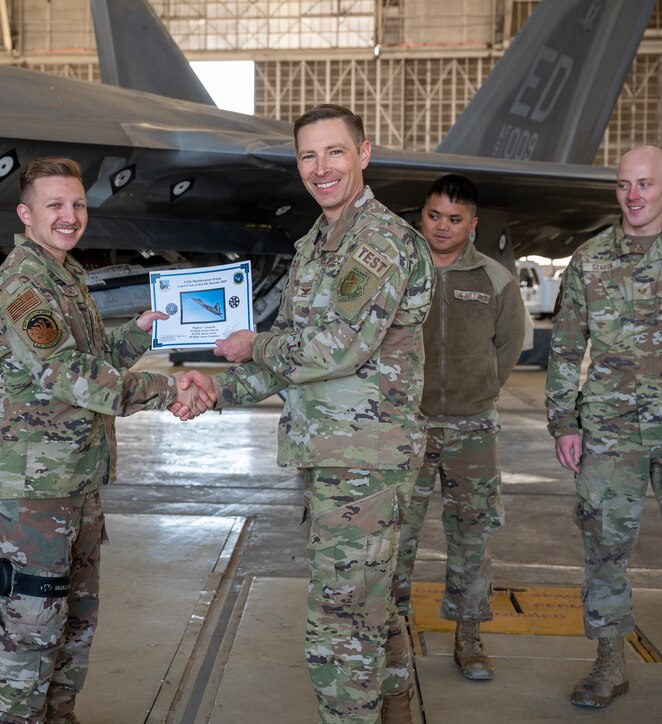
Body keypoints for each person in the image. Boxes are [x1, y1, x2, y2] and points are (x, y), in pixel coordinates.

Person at [205, 104, 434, 723]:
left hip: (364, 463)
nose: (321, 168)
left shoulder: (376, 242)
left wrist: (256, 343)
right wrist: (211, 390)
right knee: (369, 607)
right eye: (308, 155)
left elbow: (336, 346)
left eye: (335, 152)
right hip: (336, 457)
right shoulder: (318, 243)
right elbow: (292, 355)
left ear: (363, 154)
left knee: (341, 624)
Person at [0, 156, 214, 724]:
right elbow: (73, 377)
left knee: (75, 615)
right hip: (36, 485)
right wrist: (169, 387)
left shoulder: (65, 274)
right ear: (25, 213)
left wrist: (135, 336)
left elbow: (90, 356)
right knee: (31, 622)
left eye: (77, 204)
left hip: (75, 476)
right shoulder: (22, 288)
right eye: (54, 205)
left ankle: (59, 715)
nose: (69, 215)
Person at [546, 144, 662, 708]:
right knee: (604, 545)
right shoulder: (590, 259)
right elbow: (564, 346)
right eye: (625, 184)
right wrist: (564, 421)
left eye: (645, 184)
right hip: (609, 431)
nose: (633, 195)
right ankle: (609, 662)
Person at [391, 174, 526, 683]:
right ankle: (395, 634)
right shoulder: (401, 276)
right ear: (419, 217)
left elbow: (507, 349)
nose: (442, 227)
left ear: (472, 224)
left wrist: (477, 391)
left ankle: (468, 637)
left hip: (473, 431)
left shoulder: (495, 280)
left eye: (454, 219)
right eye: (433, 216)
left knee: (472, 538)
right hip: (409, 427)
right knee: (398, 535)